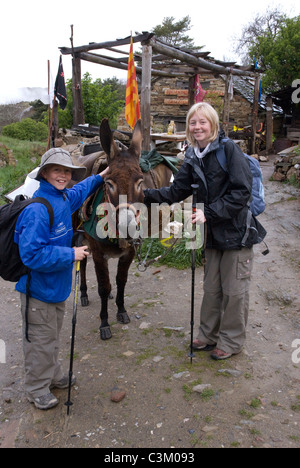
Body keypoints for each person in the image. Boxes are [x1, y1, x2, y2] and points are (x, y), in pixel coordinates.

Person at [144, 102, 266, 361]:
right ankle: (208, 335)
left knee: (234, 291)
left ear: (213, 124)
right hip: (211, 234)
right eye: (192, 122)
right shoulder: (192, 156)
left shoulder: (229, 150)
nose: (197, 127)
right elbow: (177, 191)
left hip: (237, 232)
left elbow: (242, 192)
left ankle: (231, 341)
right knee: (212, 288)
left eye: (202, 122)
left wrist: (208, 213)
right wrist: (143, 195)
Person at [14, 148, 109, 410]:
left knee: (52, 336)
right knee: (39, 341)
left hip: (56, 289)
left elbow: (81, 190)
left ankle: (53, 375)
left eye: (67, 171)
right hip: (38, 292)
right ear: (44, 173)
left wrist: (101, 176)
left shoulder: (64, 197)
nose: (63, 175)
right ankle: (36, 388)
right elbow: (31, 255)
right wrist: (71, 253)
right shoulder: (37, 209)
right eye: (58, 170)